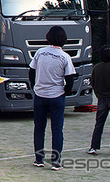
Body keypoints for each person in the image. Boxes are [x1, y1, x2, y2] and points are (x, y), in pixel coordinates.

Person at [29, 26, 76, 170]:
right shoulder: (65, 57)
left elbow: (31, 71)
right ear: (64, 39)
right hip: (57, 95)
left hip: (40, 95)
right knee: (57, 129)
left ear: (48, 37)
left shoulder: (40, 53)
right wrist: (65, 92)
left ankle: (39, 159)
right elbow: (70, 78)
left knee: (39, 128)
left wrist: (35, 87)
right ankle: (56, 161)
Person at [88, 46, 110, 155]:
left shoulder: (96, 68)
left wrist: (98, 93)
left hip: (101, 99)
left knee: (99, 123)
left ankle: (94, 146)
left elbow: (92, 82)